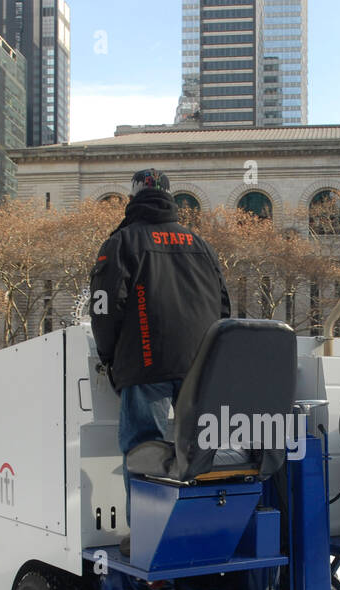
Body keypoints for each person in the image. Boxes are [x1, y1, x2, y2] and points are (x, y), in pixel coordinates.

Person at [89, 167, 231, 552]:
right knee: (198, 448)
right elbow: (223, 306)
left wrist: (109, 356)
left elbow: (104, 307)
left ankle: (147, 534)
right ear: (170, 197)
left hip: (145, 363)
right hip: (201, 366)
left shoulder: (121, 242)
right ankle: (199, 529)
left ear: (133, 197)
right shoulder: (201, 244)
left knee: (144, 448)